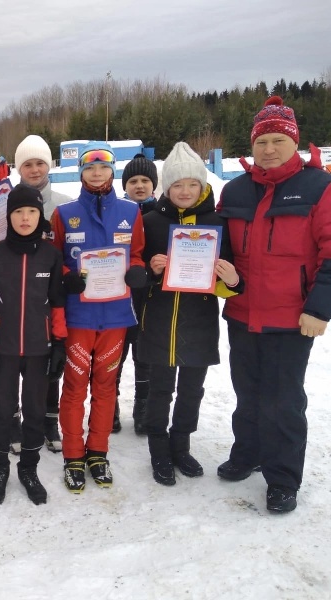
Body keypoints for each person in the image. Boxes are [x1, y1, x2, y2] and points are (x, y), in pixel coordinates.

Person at [216, 96, 331, 513]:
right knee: (247, 393)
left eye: (277, 140)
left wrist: (319, 308)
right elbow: (221, 252)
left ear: (293, 142)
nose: (268, 148)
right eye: (261, 140)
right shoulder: (235, 190)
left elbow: (330, 251)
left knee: (283, 400)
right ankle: (248, 454)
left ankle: (282, 478)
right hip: (243, 314)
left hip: (292, 318)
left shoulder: (319, 187)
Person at [137, 142, 241, 486]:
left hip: (199, 319)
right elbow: (136, 272)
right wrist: (152, 269)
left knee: (192, 389)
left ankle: (181, 444)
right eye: (177, 184)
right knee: (161, 388)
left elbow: (231, 282)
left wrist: (231, 279)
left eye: (192, 184)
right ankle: (158, 447)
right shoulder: (150, 221)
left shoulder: (218, 222)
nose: (184, 191)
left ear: (203, 185)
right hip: (161, 319)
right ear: (166, 187)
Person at [51, 141, 147, 493]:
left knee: (106, 388)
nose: (96, 173)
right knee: (75, 387)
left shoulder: (130, 212)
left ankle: (98, 452)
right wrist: (66, 276)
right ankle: (73, 455)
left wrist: (137, 272)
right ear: (81, 172)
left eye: (103, 167)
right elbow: (55, 258)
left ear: (112, 171)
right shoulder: (64, 214)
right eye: (89, 167)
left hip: (116, 317)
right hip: (80, 316)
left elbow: (136, 255)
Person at [0, 134, 73, 454]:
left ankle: (49, 420)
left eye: (40, 163)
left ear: (49, 165)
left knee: (46, 366)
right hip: (14, 298)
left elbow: (68, 251)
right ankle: (15, 421)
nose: (34, 170)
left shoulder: (63, 203)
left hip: (49, 291)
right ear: (19, 168)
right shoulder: (3, 203)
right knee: (12, 372)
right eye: (27, 164)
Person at [0, 183, 66, 506]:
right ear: (9, 216)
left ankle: (29, 468)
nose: (25, 218)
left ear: (39, 215)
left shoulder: (50, 255)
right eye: (18, 212)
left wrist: (59, 344)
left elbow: (57, 304)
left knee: (33, 410)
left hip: (39, 348)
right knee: (2, 409)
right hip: (3, 347)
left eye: (31, 211)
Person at [114, 153, 159, 434]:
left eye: (145, 180)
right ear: (125, 185)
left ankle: (143, 405)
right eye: (133, 181)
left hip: (151, 298)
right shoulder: (118, 214)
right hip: (119, 296)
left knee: (144, 355)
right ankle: (110, 405)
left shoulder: (161, 215)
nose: (139, 185)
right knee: (115, 354)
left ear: (154, 184)